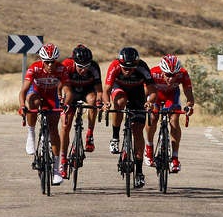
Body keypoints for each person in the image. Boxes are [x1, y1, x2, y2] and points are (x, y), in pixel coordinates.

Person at [102, 46, 156, 189]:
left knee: (138, 131)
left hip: (137, 93)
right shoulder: (114, 66)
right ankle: (115, 138)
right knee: (120, 102)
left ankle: (139, 172)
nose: (127, 70)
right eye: (124, 68)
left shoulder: (143, 67)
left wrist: (150, 102)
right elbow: (106, 90)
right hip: (119, 88)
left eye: (131, 68)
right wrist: (107, 103)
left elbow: (152, 91)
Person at [18, 43, 68, 186]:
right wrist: (22, 106)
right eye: (47, 62)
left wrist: (67, 103)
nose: (50, 65)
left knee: (53, 130)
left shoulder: (61, 68)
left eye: (53, 61)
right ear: (42, 60)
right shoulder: (34, 68)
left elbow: (67, 89)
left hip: (52, 97)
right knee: (31, 100)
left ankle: (56, 170)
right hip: (36, 93)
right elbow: (23, 91)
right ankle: (31, 133)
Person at [57, 44, 102, 178]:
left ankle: (89, 134)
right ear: (74, 62)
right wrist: (60, 99)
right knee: (65, 126)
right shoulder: (67, 65)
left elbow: (99, 89)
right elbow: (59, 87)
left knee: (93, 100)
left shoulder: (94, 67)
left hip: (87, 91)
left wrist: (99, 102)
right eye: (80, 67)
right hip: (71, 92)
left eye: (86, 66)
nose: (83, 70)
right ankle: (63, 160)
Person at [144, 54, 195, 173]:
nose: (171, 79)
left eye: (174, 75)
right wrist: (147, 103)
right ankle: (149, 148)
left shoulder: (183, 74)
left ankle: (175, 158)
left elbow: (189, 96)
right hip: (155, 95)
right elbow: (145, 93)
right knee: (152, 117)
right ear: (162, 71)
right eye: (168, 75)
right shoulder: (153, 73)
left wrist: (189, 107)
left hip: (172, 96)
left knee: (174, 120)